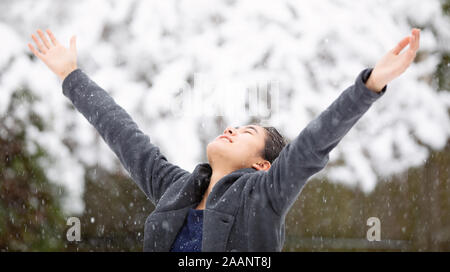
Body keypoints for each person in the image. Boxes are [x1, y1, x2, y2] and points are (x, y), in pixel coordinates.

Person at [28, 28, 420, 251]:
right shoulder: (174, 188)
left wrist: (370, 85)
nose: (231, 129)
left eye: (247, 132)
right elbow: (122, 133)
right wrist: (71, 76)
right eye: (234, 126)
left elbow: (315, 142)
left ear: (262, 164)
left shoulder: (264, 196)